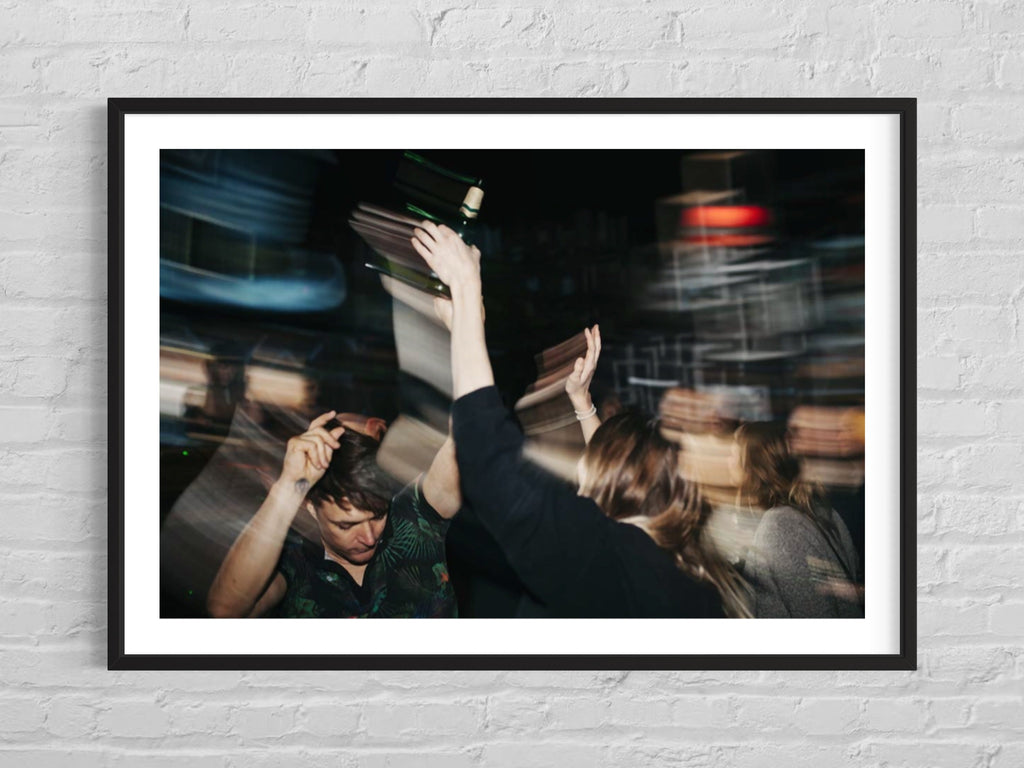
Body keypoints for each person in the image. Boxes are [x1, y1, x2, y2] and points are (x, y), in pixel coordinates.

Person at [411, 221, 743, 618]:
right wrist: (583, 405)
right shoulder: (683, 573)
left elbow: (488, 452)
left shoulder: (601, 560)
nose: (580, 472)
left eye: (590, 467)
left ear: (614, 480)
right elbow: (617, 474)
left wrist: (467, 293)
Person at [206, 411, 462, 618]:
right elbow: (225, 612)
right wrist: (289, 486)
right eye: (346, 525)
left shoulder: (415, 515)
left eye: (377, 516)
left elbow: (467, 428)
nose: (370, 537)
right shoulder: (293, 561)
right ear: (310, 507)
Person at [731, 422, 864, 618]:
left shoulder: (781, 527)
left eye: (732, 453)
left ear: (752, 464)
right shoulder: (819, 512)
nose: (726, 460)